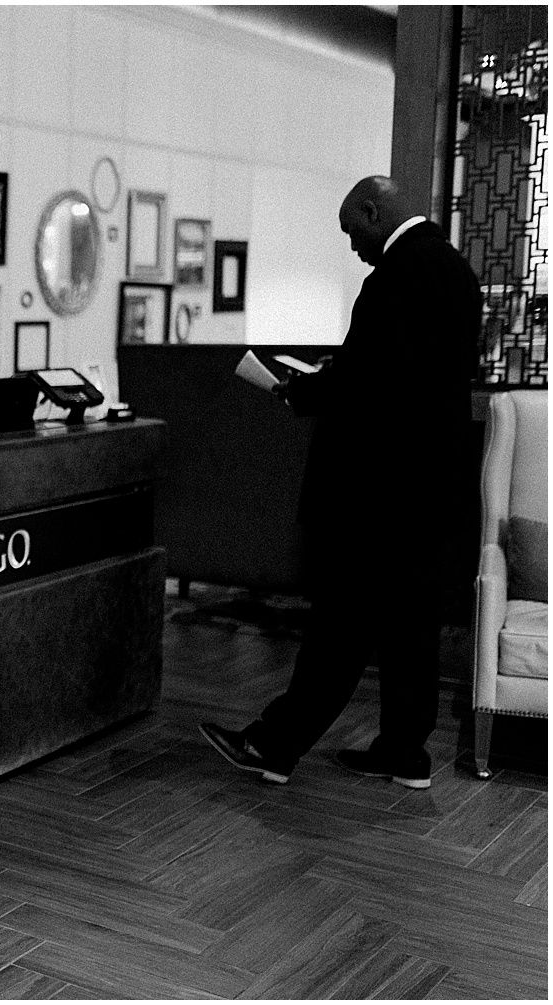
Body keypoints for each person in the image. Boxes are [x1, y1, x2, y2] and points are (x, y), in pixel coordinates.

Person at [201, 175, 481, 790]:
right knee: (411, 624)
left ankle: (272, 746)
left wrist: (303, 388)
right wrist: (347, 371)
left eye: (354, 232)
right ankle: (405, 753)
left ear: (374, 211)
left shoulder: (394, 277)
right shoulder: (458, 272)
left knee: (341, 624)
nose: (354, 248)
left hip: (377, 490)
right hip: (434, 485)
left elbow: (369, 383)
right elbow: (417, 375)